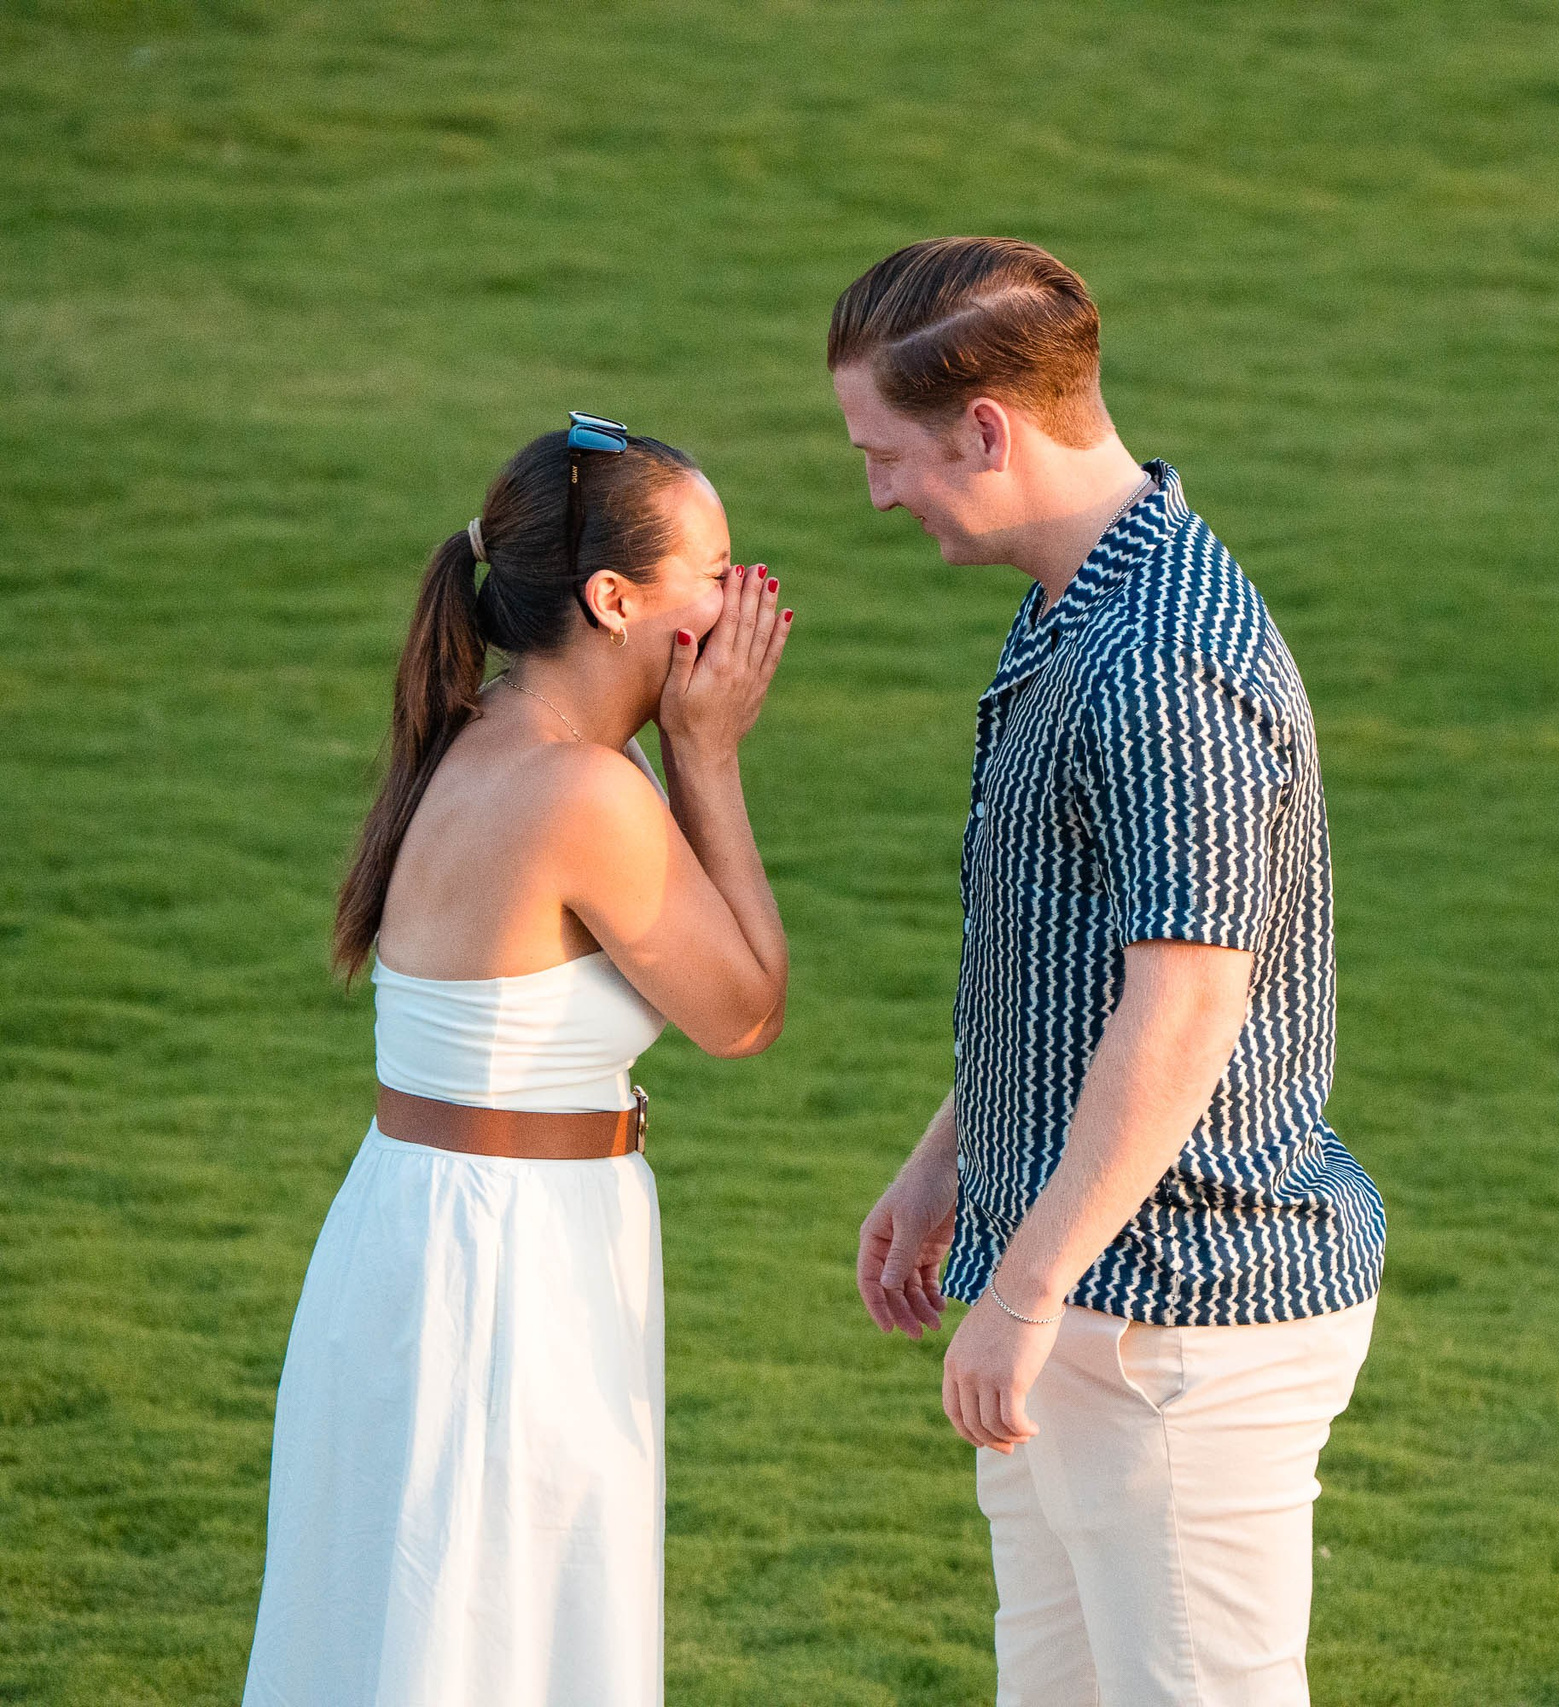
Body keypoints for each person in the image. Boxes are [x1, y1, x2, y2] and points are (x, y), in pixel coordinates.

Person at [834, 238, 1387, 1707]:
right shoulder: (1075, 609)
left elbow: (1190, 998)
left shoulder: (1159, 657)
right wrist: (950, 1158)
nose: (876, 491)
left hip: (1181, 1320)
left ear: (989, 429)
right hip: (1098, 1297)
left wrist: (1023, 1289)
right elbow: (1068, 964)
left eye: (884, 453)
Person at [241, 415, 794, 1707]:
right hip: (506, 1265)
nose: (739, 602)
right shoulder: (584, 792)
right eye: (715, 573)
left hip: (440, 1234)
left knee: (430, 1623)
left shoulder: (488, 732)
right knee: (494, 1633)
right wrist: (707, 753)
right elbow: (745, 1011)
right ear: (615, 598)